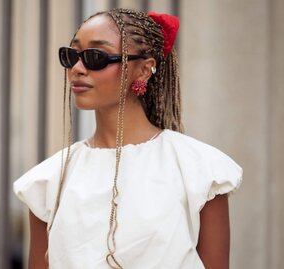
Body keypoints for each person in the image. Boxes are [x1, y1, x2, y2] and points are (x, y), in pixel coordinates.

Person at [13, 8, 242, 269]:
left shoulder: (199, 170)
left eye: (95, 57)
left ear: (144, 69)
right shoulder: (48, 181)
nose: (77, 68)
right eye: (71, 55)